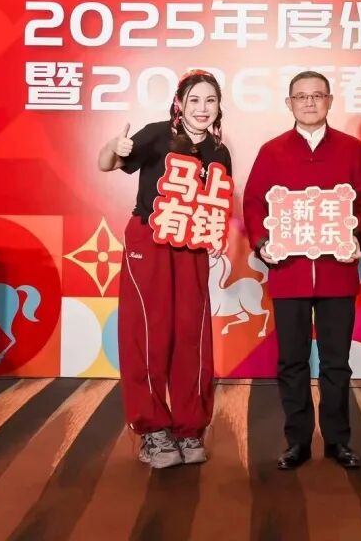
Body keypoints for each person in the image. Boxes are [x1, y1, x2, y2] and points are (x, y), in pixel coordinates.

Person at [243, 71, 361, 470]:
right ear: (289, 103)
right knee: (292, 361)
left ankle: (338, 441)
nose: (309, 102)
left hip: (338, 273)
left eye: (317, 95)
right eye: (300, 96)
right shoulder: (272, 151)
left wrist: (355, 232)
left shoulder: (351, 149)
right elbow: (253, 203)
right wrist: (262, 243)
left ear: (329, 101)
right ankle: (297, 441)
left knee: (336, 362)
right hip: (289, 273)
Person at [97, 70, 231, 469]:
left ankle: (190, 428)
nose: (202, 108)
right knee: (148, 332)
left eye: (210, 100)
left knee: (192, 333)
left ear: (219, 106)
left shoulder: (219, 152)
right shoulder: (157, 134)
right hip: (149, 241)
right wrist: (114, 146)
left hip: (191, 244)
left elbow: (216, 204)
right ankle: (153, 430)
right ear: (179, 104)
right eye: (194, 100)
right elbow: (107, 163)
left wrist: (215, 237)